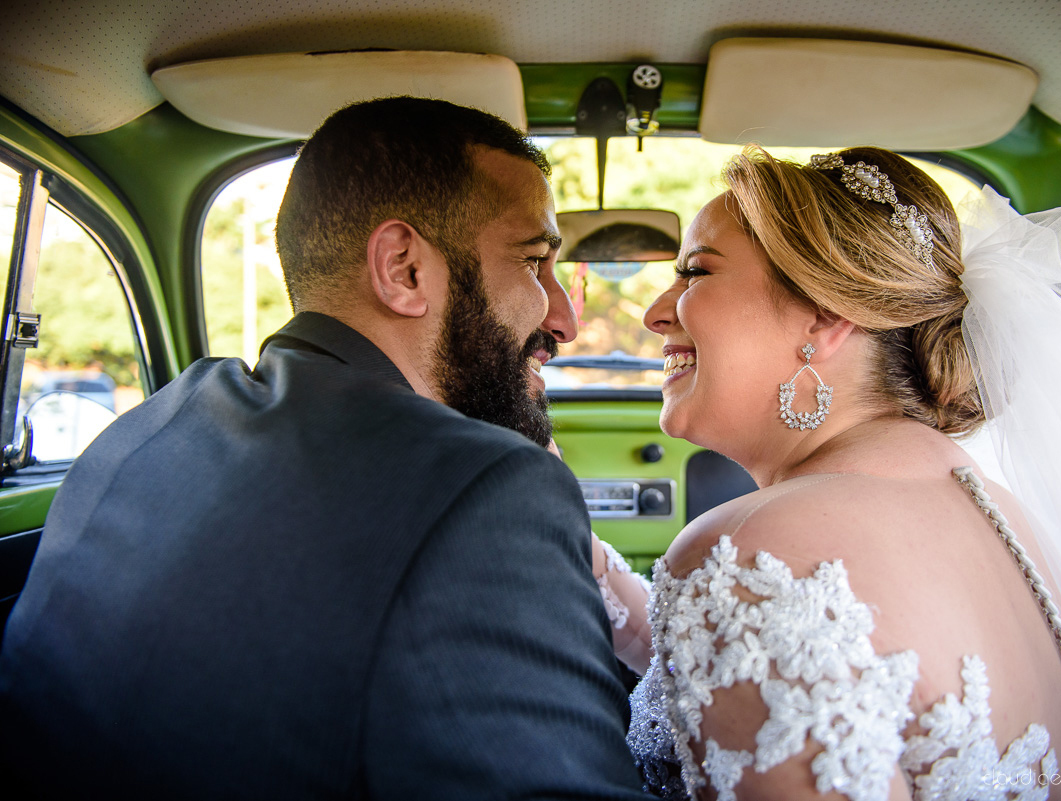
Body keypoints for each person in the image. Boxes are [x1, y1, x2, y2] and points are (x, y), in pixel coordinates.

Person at [0, 97, 651, 800]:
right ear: (403, 268)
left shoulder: (155, 423)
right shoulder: (484, 489)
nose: (566, 318)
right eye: (533, 263)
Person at [591, 146, 1061, 800]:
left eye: (695, 273)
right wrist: (585, 564)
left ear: (824, 314)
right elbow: (810, 663)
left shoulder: (743, 557)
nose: (656, 311)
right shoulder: (1001, 511)